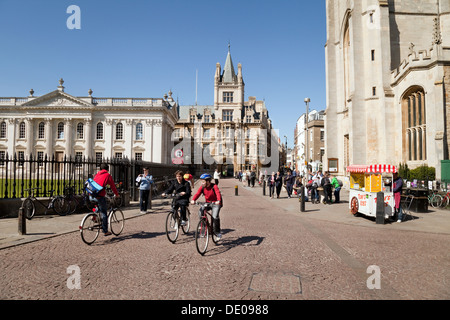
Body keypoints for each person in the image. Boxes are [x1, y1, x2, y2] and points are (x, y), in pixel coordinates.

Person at [191, 173, 223, 239]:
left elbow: (218, 193)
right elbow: (197, 193)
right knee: (200, 211)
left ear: (208, 181)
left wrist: (218, 200)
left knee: (215, 217)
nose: (202, 183)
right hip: (208, 203)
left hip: (216, 203)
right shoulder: (202, 187)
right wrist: (193, 200)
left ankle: (217, 232)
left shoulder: (214, 186)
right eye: (201, 181)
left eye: (203, 181)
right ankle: (204, 225)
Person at [93, 163, 120, 236]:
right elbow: (113, 186)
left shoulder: (97, 174)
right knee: (104, 212)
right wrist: (117, 194)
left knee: (99, 206)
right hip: (99, 195)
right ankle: (105, 231)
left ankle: (95, 215)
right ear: (107, 169)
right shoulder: (107, 175)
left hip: (91, 195)